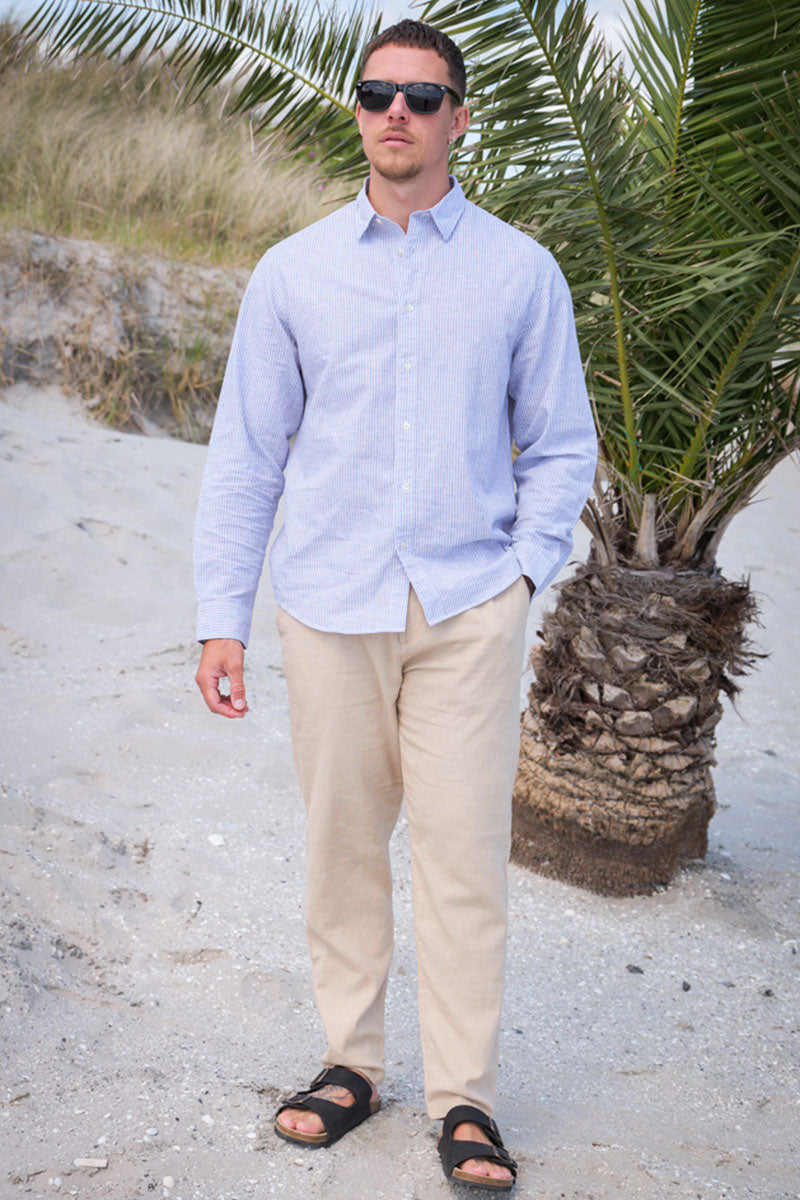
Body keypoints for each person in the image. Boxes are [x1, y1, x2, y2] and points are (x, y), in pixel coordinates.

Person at [194, 18, 597, 1191]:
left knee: (462, 859)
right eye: (377, 94)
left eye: (422, 98)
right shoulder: (294, 271)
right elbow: (247, 455)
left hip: (467, 606)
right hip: (328, 603)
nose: (396, 114)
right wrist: (221, 616)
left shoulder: (519, 272)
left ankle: (465, 1100)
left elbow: (558, 445)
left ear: (458, 118)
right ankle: (352, 1066)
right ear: (358, 109)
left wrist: (520, 575)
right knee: (340, 848)